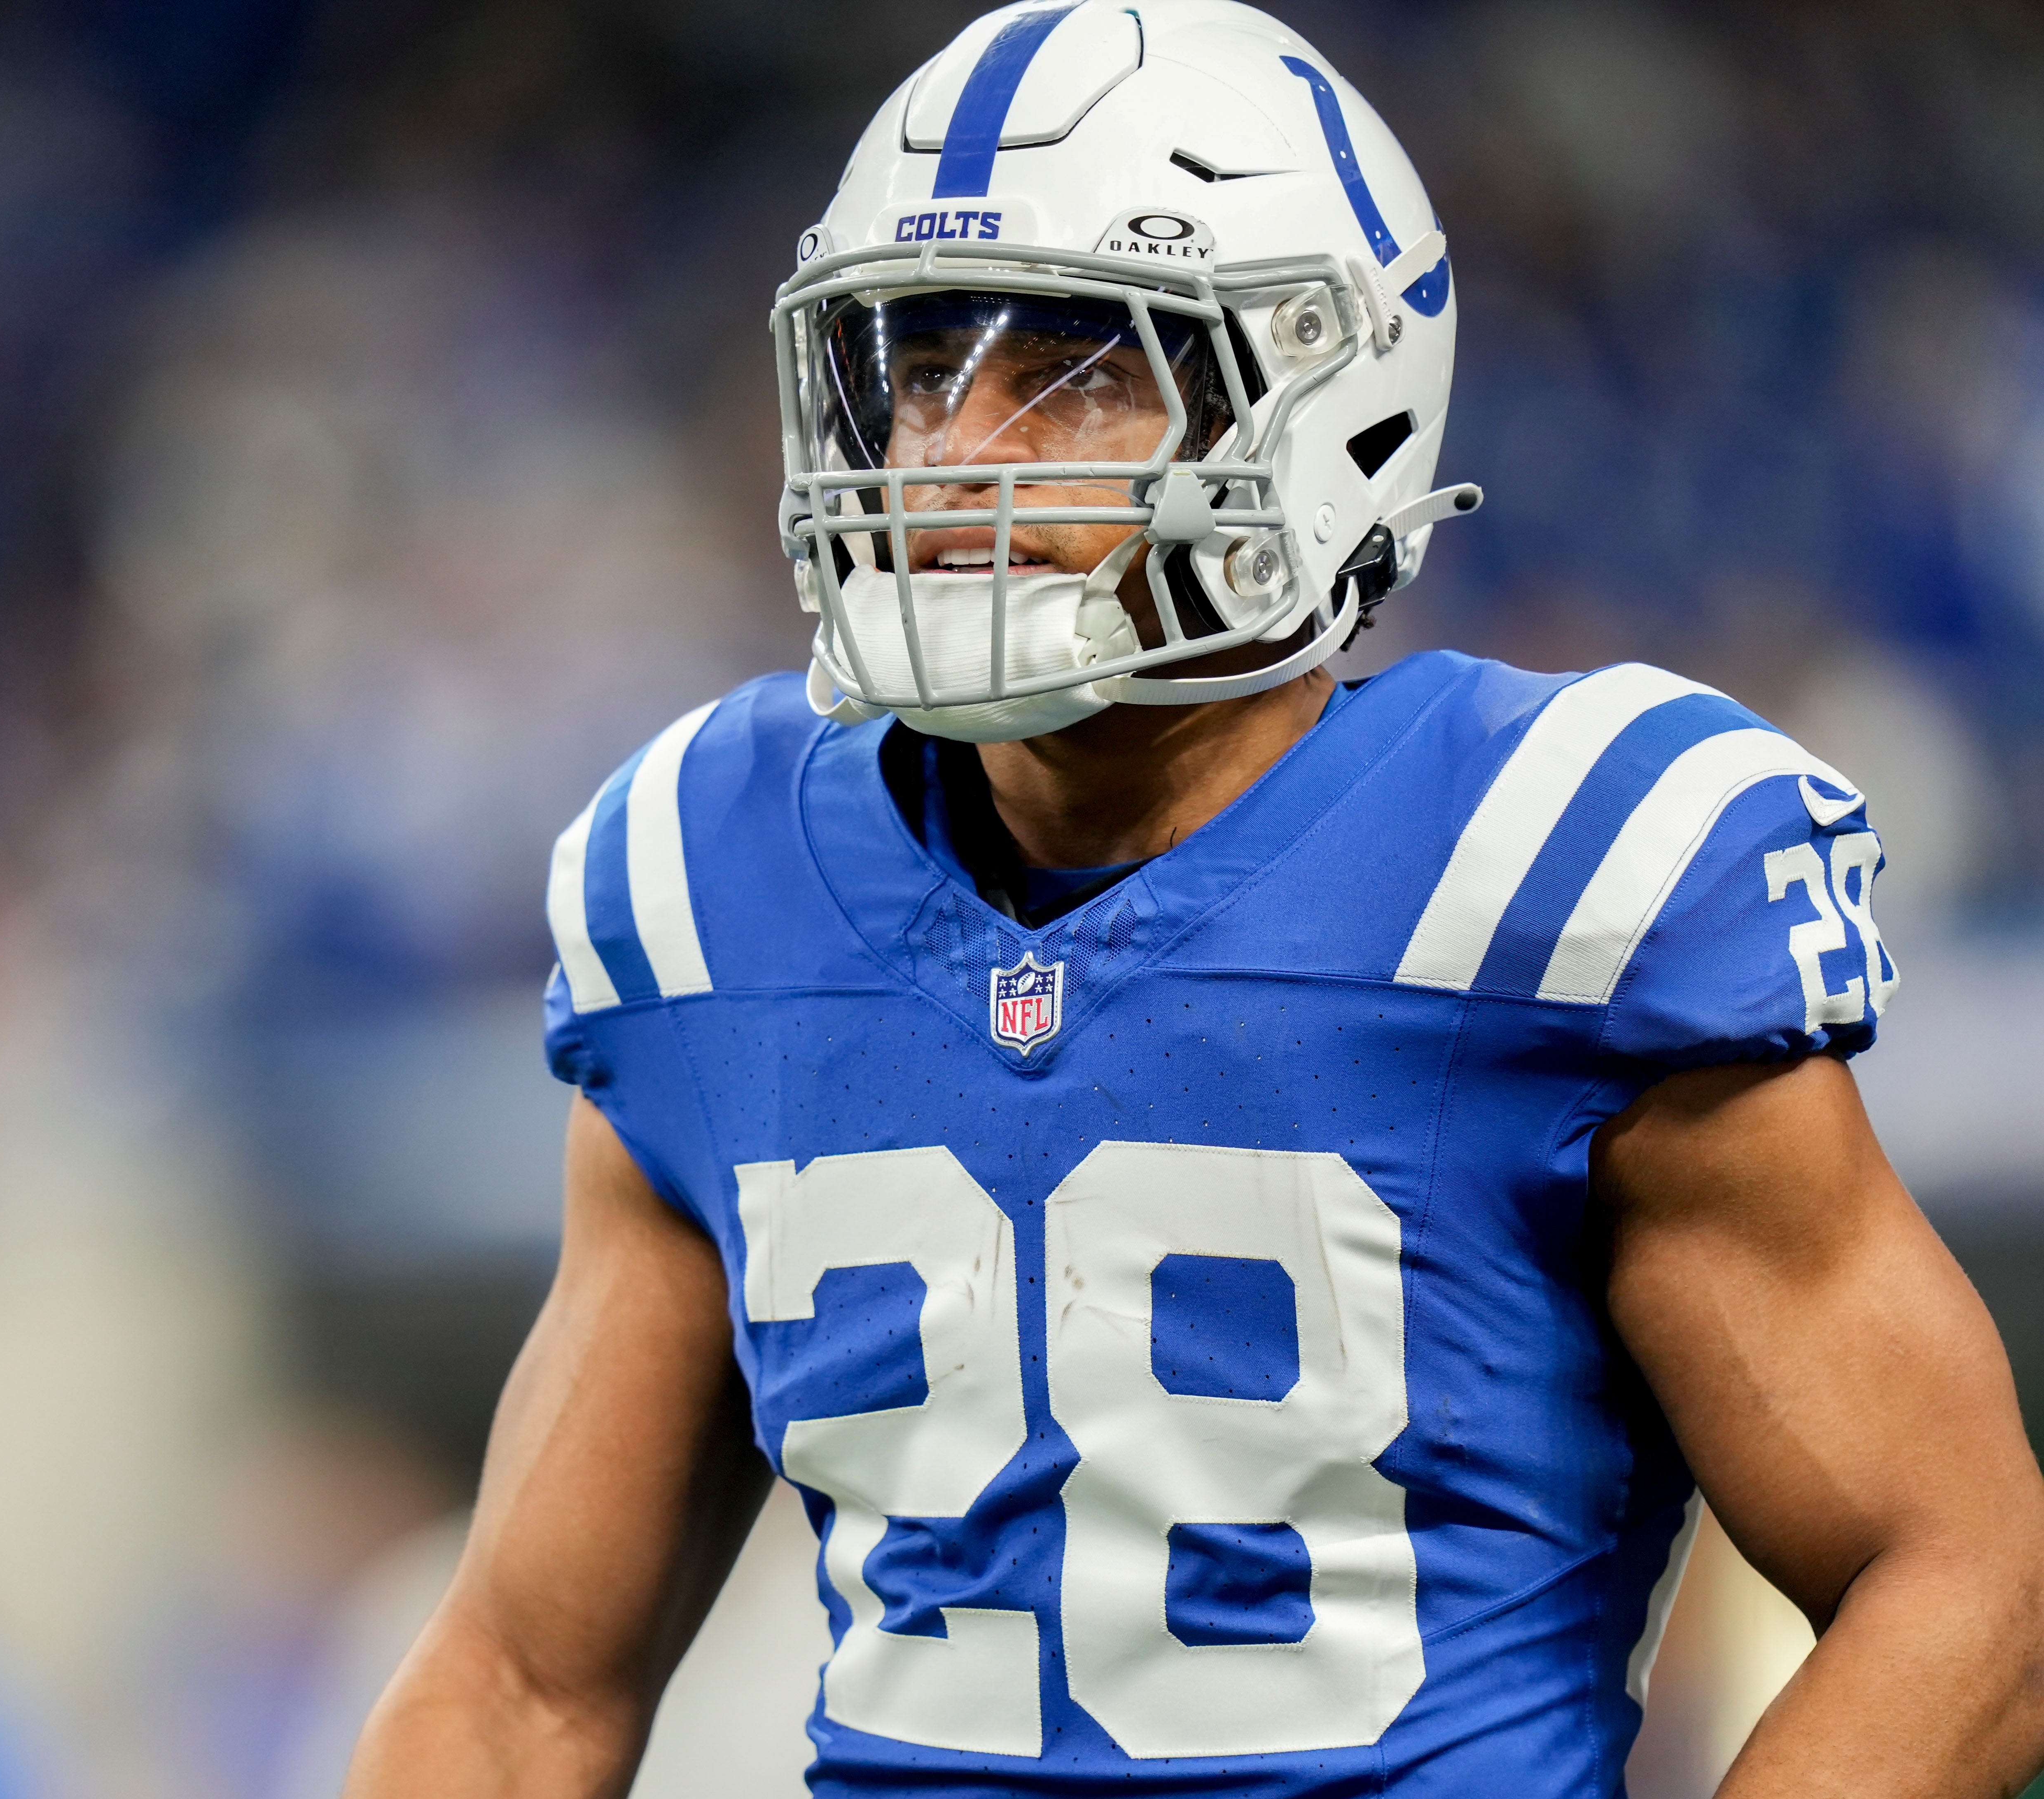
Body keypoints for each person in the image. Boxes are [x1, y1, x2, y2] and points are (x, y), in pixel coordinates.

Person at [343, 2, 2044, 1793]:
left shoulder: (1544, 873)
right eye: (918, 367)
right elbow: (522, 1684)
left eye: (1070, 370)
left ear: (1325, 406)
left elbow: (1969, 1581)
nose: (949, 453)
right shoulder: (707, 887)